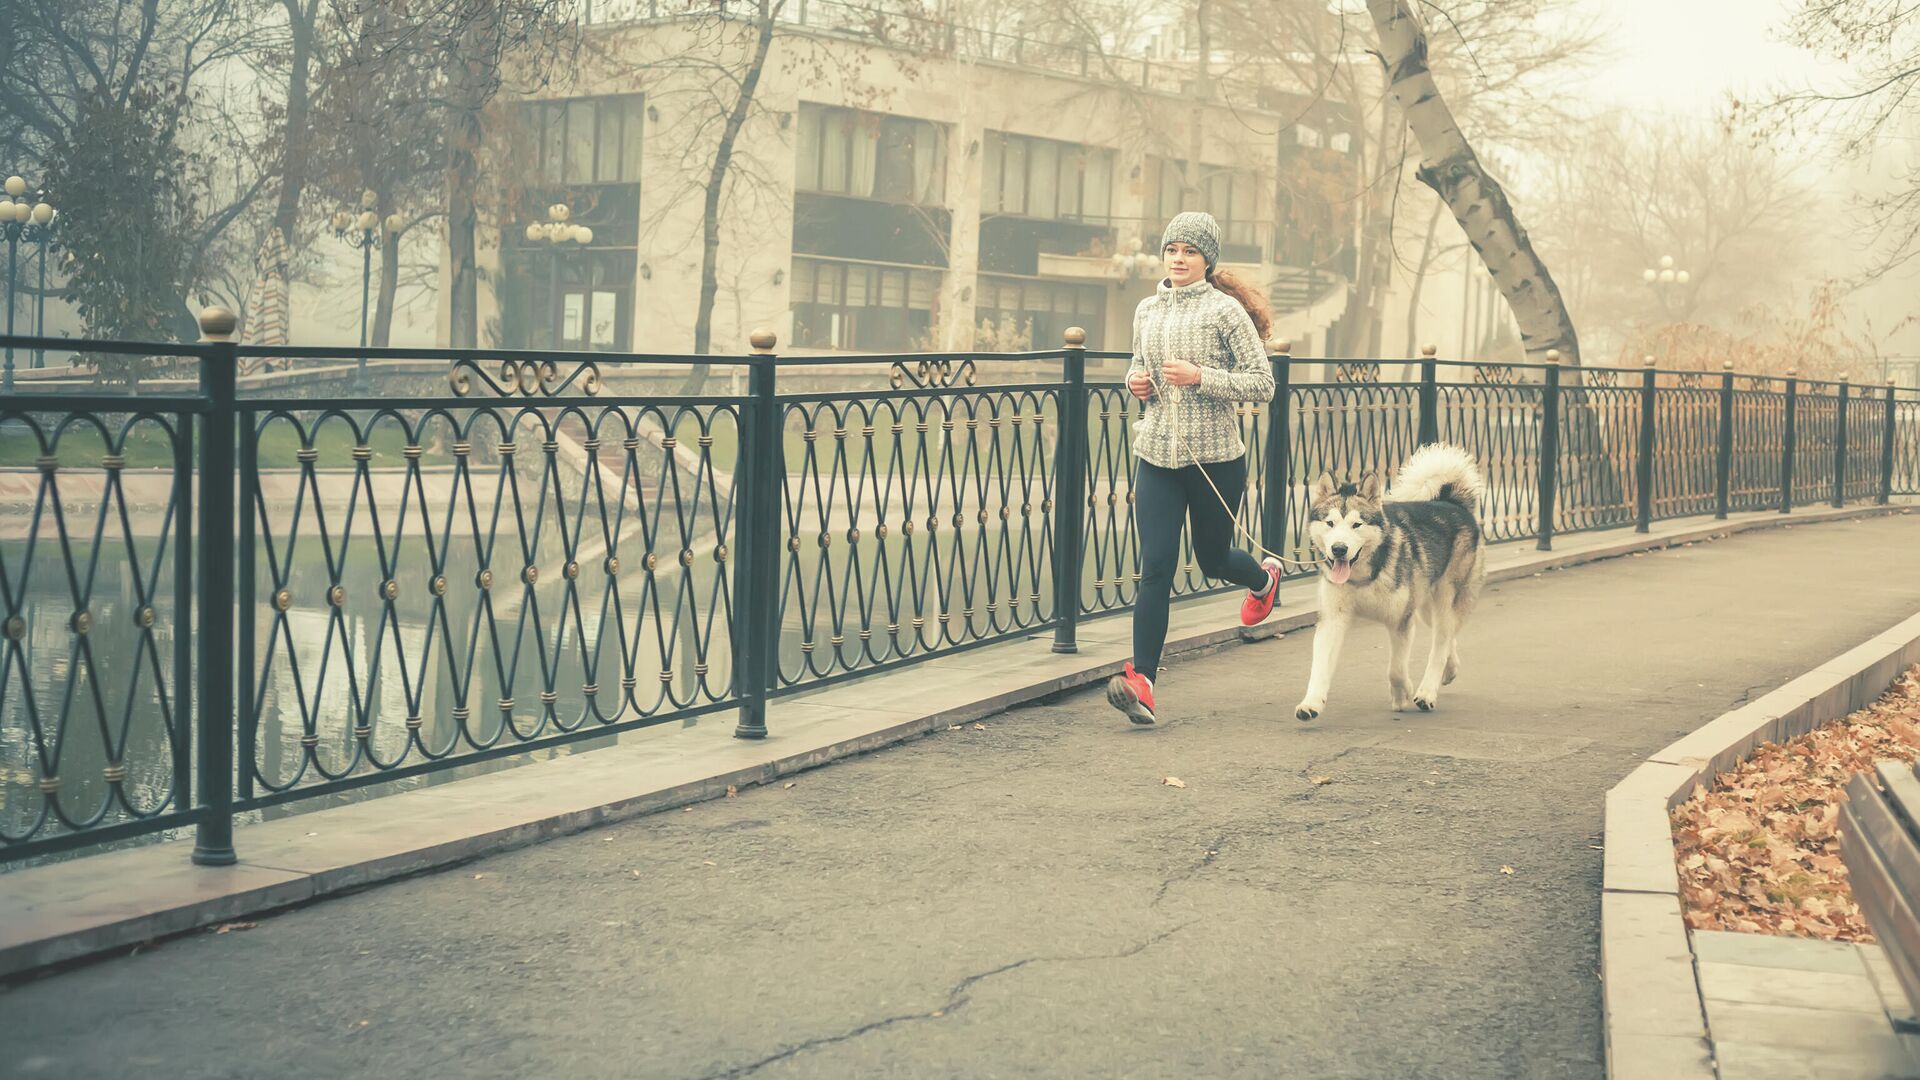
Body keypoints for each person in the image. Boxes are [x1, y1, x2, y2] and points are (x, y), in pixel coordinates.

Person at [1105, 211, 1281, 725]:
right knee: (1155, 565)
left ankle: (1263, 581)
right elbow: (1139, 366)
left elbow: (1262, 384)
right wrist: (1134, 382)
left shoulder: (1225, 312)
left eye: (1190, 251)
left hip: (1216, 458)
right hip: (1157, 452)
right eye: (1172, 250)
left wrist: (1202, 376)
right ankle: (1143, 683)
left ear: (1207, 259)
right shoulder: (1145, 310)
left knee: (1211, 559)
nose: (1179, 259)